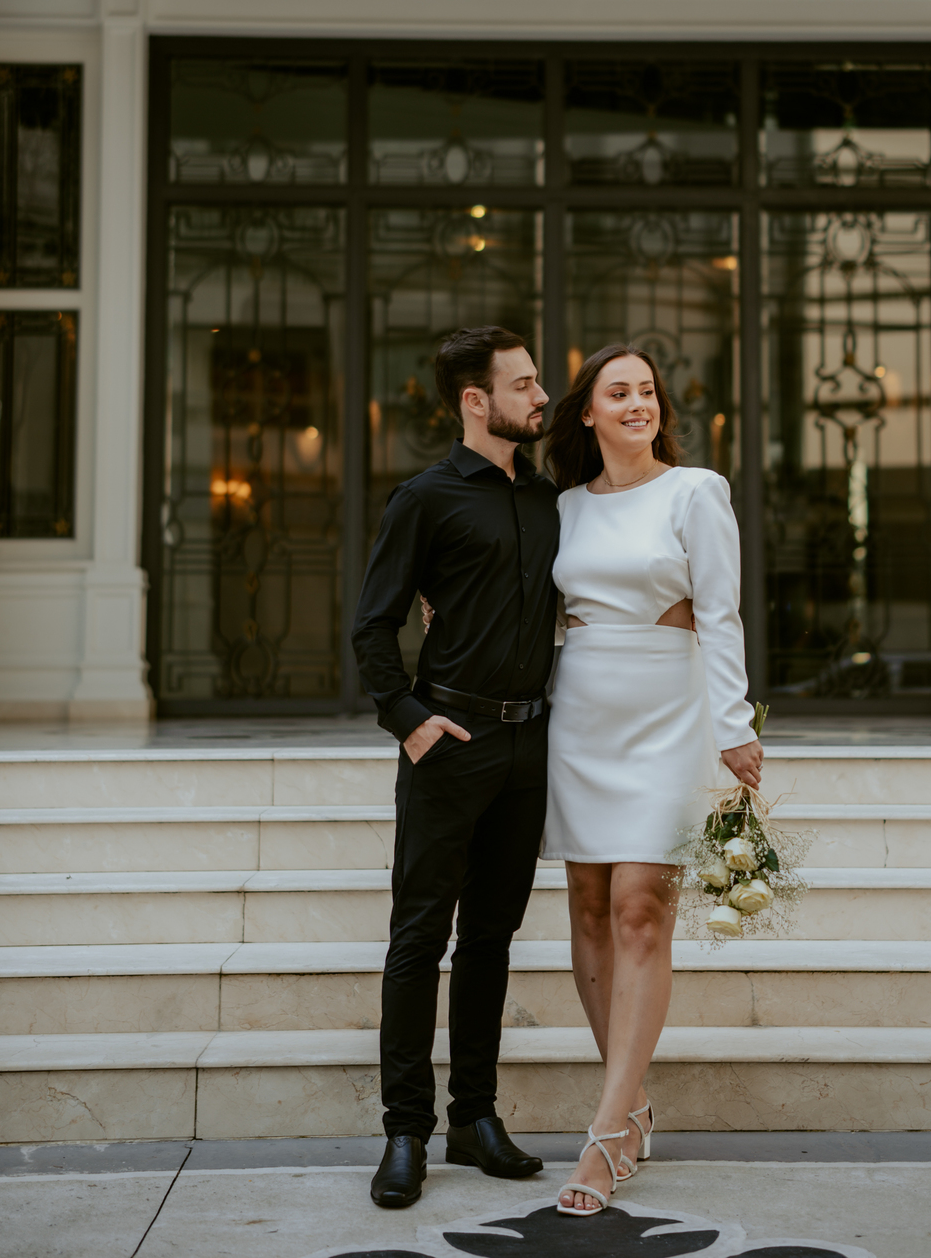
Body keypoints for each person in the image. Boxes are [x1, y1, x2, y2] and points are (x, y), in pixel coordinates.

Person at [541, 344, 763, 1217]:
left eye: (648, 392)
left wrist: (735, 727)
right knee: (590, 907)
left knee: (641, 904)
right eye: (618, 392)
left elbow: (721, 612)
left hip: (669, 712)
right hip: (581, 712)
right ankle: (629, 1101)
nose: (638, 404)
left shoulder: (695, 490)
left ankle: (601, 1137)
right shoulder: (561, 507)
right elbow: (537, 607)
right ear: (587, 413)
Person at [351, 326, 560, 1210]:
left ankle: (475, 1119)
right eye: (523, 384)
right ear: (477, 401)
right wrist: (408, 719)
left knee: (491, 939)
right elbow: (373, 622)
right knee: (419, 937)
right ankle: (407, 1130)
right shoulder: (425, 499)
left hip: (527, 748)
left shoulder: (553, 499)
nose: (540, 394)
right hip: (450, 742)